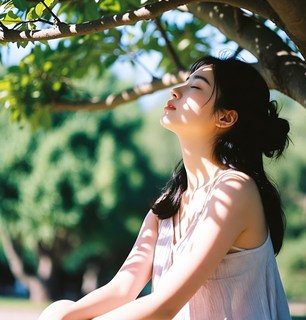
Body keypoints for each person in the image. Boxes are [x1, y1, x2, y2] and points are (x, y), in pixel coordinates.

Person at [38, 56, 291, 320]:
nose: (176, 90)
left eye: (195, 87)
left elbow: (164, 305)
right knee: (58, 309)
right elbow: (122, 288)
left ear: (225, 117)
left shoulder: (234, 189)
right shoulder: (171, 203)